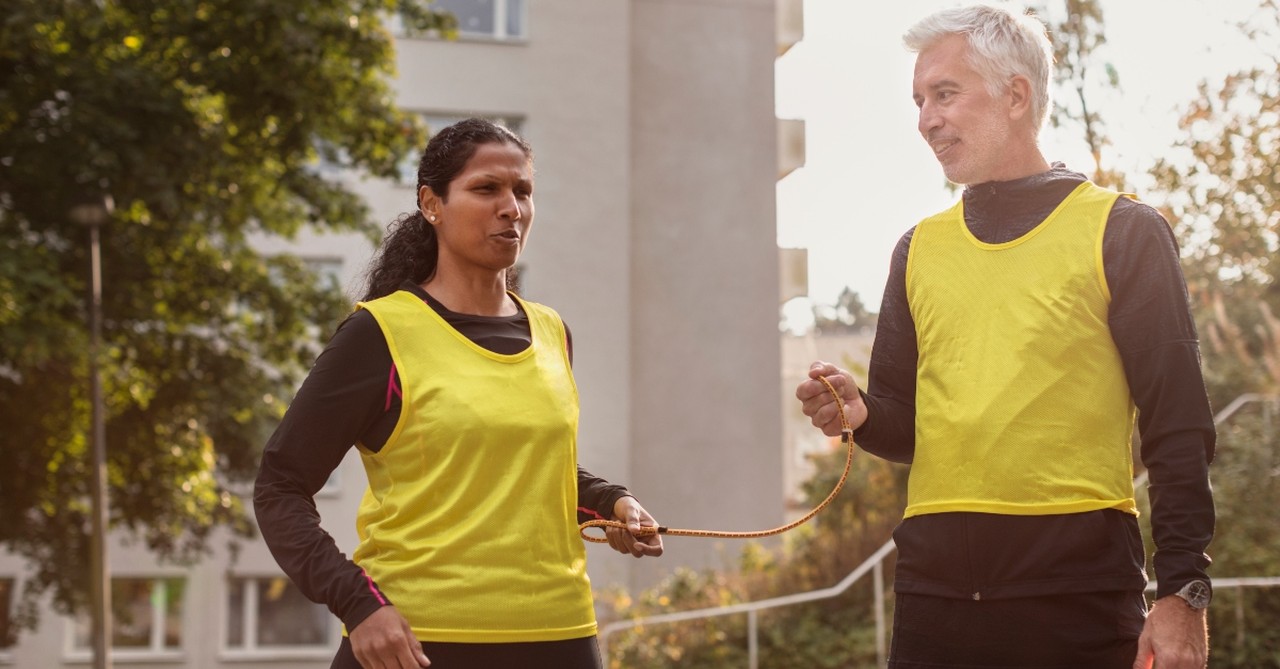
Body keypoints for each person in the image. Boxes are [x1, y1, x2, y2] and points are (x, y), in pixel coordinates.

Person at [795, 6, 1214, 669]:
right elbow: (906, 428)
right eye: (919, 100)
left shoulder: (1124, 232)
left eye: (945, 93)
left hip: (1078, 597)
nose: (926, 119)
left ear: (1016, 95)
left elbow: (1179, 429)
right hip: (933, 602)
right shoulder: (917, 249)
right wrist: (862, 415)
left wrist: (1183, 590)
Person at [254, 118, 664, 669]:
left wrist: (612, 502)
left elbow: (525, 467)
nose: (511, 208)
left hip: (560, 636)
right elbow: (280, 487)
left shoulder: (551, 332)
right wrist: (360, 607)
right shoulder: (379, 334)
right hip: (416, 644)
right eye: (486, 189)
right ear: (432, 204)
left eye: (522, 191)